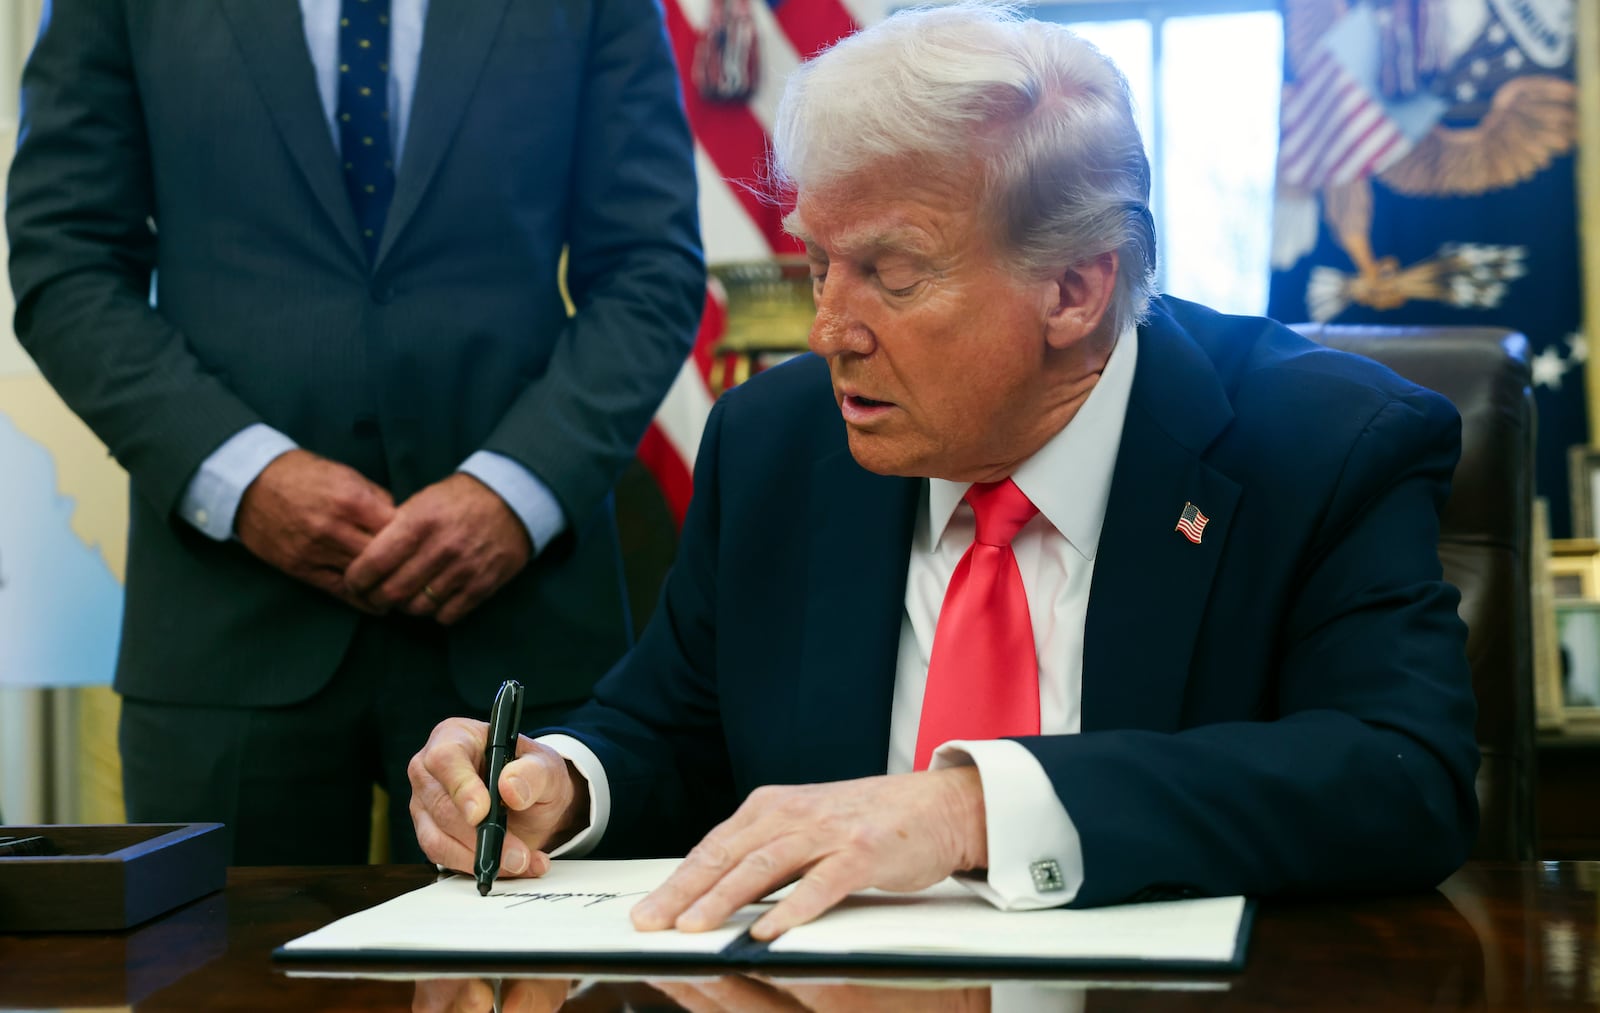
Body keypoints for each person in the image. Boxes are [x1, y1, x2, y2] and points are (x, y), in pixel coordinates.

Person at [408, 3, 1478, 936]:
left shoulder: (1323, 445)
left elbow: (1397, 779)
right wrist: (556, 781)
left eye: (892, 275)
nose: (828, 329)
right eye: (819, 263)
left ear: (1074, 291)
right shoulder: (778, 441)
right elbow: (669, 730)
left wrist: (969, 808)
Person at [5, 0, 704, 864]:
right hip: (227, 624)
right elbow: (63, 259)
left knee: (525, 997)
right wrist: (243, 477)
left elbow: (651, 267)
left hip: (521, 622)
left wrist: (514, 489)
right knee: (210, 981)